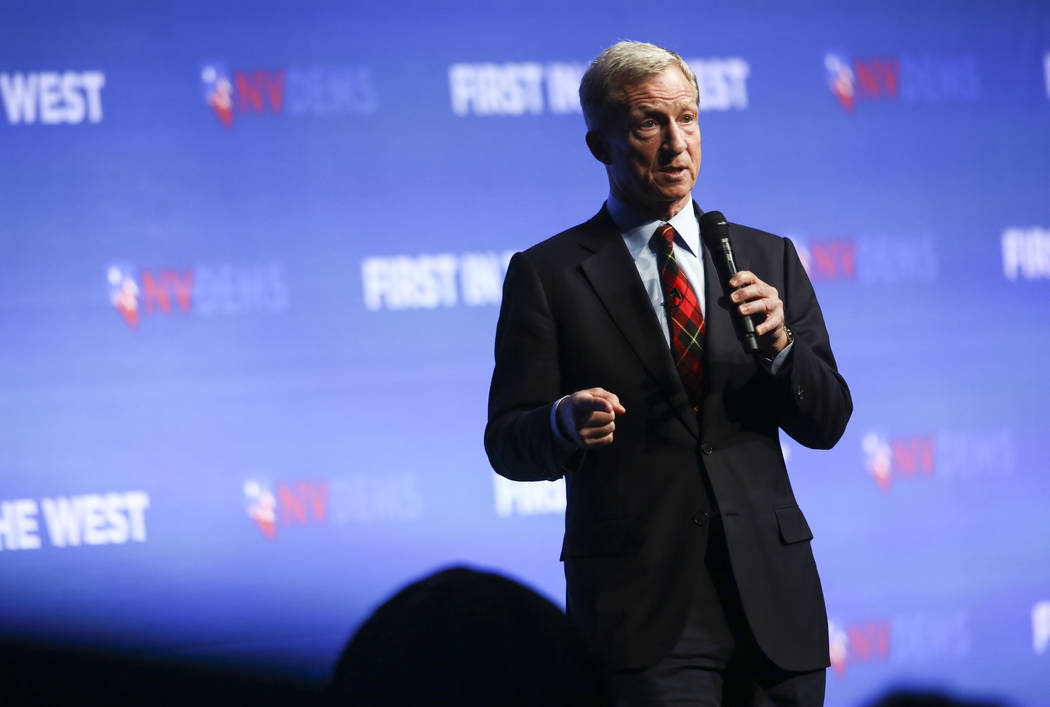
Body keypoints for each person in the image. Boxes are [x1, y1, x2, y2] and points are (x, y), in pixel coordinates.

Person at [484, 41, 852, 706]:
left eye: (688, 118)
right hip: (642, 614)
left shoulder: (767, 255)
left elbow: (828, 421)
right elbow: (508, 441)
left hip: (774, 600)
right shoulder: (548, 275)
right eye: (650, 123)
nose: (677, 144)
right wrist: (562, 421)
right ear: (601, 144)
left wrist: (781, 351)